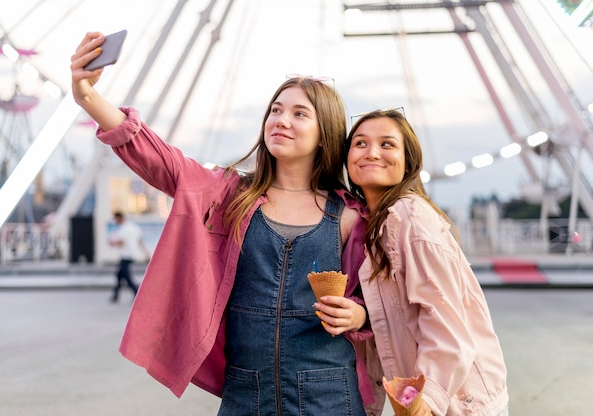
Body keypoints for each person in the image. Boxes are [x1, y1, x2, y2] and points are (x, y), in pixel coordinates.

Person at [71, 32, 375, 414]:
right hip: (247, 393)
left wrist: (359, 314)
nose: (281, 120)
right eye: (276, 110)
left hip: (330, 395)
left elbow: (384, 299)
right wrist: (88, 97)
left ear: (324, 133)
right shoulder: (231, 196)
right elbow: (161, 158)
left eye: (299, 113)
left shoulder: (351, 215)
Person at [341, 109, 509, 415]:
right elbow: (402, 311)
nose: (372, 153)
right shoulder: (375, 225)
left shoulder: (410, 217)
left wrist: (427, 399)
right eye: (361, 143)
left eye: (387, 144)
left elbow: (446, 323)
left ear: (409, 161)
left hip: (454, 403)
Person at [108, 211, 148, 303]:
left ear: (119, 218)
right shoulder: (133, 227)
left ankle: (137, 293)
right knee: (119, 275)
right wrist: (145, 252)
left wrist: (113, 243)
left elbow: (121, 242)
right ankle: (115, 295)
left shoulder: (124, 229)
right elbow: (140, 240)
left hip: (126, 255)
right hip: (132, 254)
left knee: (126, 276)